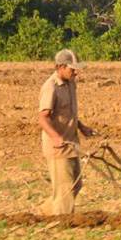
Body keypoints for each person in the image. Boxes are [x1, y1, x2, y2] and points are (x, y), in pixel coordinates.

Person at [37, 48, 98, 215]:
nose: (76, 72)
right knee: (65, 190)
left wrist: (81, 126)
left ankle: (42, 214)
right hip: (58, 147)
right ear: (60, 67)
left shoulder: (71, 84)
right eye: (72, 69)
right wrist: (55, 137)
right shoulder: (51, 87)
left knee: (75, 185)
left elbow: (67, 113)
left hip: (71, 143)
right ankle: (63, 222)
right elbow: (42, 117)